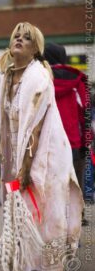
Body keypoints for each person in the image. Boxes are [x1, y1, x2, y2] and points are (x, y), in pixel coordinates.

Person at [0, 22, 83, 271]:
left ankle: (54, 268)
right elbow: (5, 124)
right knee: (24, 208)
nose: (19, 39)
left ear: (36, 49)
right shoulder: (7, 76)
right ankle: (30, 264)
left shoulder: (38, 76)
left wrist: (25, 167)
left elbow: (36, 127)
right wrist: (11, 167)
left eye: (27, 38)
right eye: (16, 36)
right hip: (18, 156)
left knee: (49, 209)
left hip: (46, 153)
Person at [44, 43, 91, 225]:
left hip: (48, 142)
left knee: (51, 185)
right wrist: (87, 143)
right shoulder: (78, 80)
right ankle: (76, 219)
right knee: (74, 185)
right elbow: (85, 114)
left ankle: (54, 222)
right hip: (74, 142)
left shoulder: (41, 79)